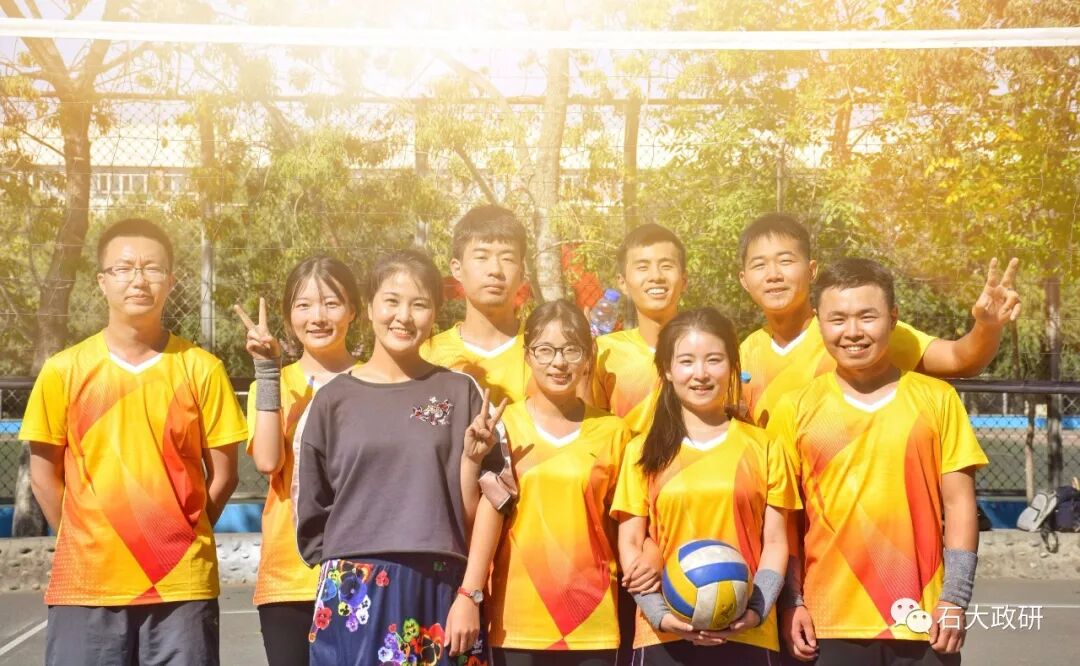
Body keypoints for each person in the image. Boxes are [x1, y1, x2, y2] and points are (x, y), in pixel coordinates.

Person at [20, 217, 247, 665]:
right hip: (85, 586)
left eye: (152, 268)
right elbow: (43, 476)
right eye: (124, 268)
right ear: (102, 281)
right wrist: (85, 539)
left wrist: (180, 534)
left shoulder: (202, 368)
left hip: (181, 586)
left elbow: (224, 475)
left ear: (171, 281)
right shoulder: (63, 370)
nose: (138, 280)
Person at [296, 248, 517, 666]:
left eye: (419, 304)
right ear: (368, 307)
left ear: (435, 313)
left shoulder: (461, 393)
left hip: (442, 590)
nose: (403, 316)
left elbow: (492, 501)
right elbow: (313, 509)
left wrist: (469, 592)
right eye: (391, 301)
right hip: (354, 593)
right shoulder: (331, 401)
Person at [768, 258, 988, 666]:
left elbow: (960, 504)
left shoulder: (938, 399)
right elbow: (785, 518)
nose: (853, 331)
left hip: (922, 620)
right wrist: (791, 602)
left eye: (867, 316)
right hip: (826, 623)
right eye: (838, 319)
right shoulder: (793, 408)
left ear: (893, 317)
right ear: (819, 322)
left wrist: (955, 599)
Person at [611, 308, 800, 665]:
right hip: (663, 635)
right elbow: (631, 542)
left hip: (749, 633)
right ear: (667, 369)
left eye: (714, 360)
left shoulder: (766, 447)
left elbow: (776, 541)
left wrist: (756, 611)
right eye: (686, 361)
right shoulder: (641, 451)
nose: (700, 374)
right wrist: (661, 615)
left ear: (732, 366)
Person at [737, 212, 1021, 427]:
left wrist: (987, 326)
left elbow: (961, 359)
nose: (773, 275)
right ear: (744, 280)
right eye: (759, 265)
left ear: (812, 270)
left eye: (785, 261)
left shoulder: (858, 334)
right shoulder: (744, 354)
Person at [234, 256, 363, 666]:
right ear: (289, 315)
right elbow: (268, 461)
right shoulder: (274, 382)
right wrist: (268, 372)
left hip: (363, 574)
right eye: (303, 305)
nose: (318, 317)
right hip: (288, 580)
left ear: (354, 309)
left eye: (331, 303)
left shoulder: (378, 382)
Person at [488, 300, 632, 666]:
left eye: (571, 350)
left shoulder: (614, 432)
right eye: (545, 350)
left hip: (592, 616)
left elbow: (628, 524)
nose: (559, 362)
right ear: (527, 355)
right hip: (515, 618)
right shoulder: (504, 426)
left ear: (588, 357)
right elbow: (478, 518)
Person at [422, 205, 531, 405]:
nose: (495, 270)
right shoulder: (427, 355)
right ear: (457, 269)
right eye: (481, 257)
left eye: (507, 258)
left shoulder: (544, 354)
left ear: (522, 272)